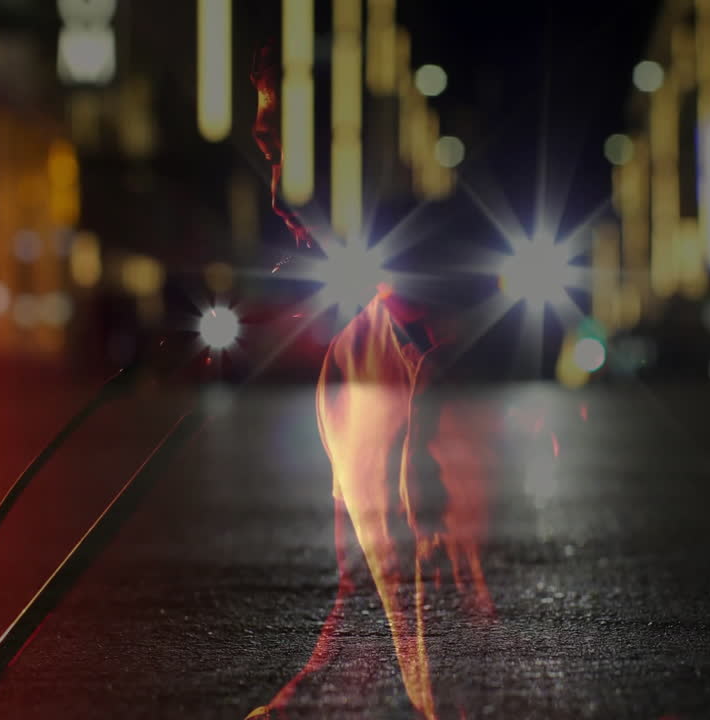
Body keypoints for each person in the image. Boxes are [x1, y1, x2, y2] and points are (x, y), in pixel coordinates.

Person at [246, 40, 495, 720]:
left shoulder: (511, 348)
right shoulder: (346, 368)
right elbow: (360, 630)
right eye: (271, 156)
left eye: (293, 149)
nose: (279, 194)